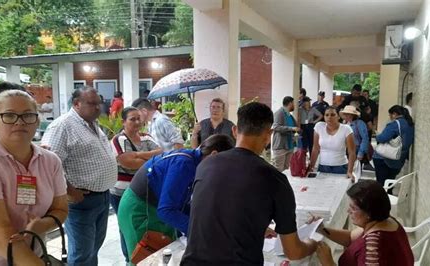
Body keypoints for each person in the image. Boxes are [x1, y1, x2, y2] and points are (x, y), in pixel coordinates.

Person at [182, 102, 317, 265]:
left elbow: (219, 210)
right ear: (269, 135)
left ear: (234, 131)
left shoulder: (205, 165)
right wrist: (313, 244)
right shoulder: (275, 179)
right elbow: (293, 251)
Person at [117, 134, 234, 261]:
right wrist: (198, 231)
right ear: (214, 155)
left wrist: (204, 224)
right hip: (139, 208)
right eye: (223, 165)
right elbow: (166, 210)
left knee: (164, 257)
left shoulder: (196, 164)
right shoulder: (184, 164)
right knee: (145, 258)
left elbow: (182, 204)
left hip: (156, 207)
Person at [0, 90, 68, 265]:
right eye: (9, 115)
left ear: (37, 121)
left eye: (27, 115)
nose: (19, 122)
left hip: (35, 254)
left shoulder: (50, 161)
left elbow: (61, 209)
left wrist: (42, 225)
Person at [41, 87, 117, 265]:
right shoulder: (62, 126)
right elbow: (49, 166)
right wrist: (70, 191)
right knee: (82, 253)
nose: (98, 108)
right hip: (81, 201)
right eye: (92, 103)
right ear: (76, 104)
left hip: (102, 197)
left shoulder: (93, 125)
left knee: (93, 249)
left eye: (99, 103)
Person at [312, 180, 414, 265]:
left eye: (353, 208)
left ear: (369, 213)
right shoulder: (385, 221)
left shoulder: (372, 250)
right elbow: (350, 237)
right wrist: (322, 229)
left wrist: (328, 263)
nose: (348, 211)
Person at [110, 107, 162, 262]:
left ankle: (144, 256)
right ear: (123, 122)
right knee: (126, 228)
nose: (137, 122)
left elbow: (160, 154)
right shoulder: (119, 140)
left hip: (145, 192)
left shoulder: (146, 137)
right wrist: (148, 160)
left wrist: (138, 154)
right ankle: (130, 259)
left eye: (139, 118)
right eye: (132, 119)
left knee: (143, 226)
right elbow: (128, 163)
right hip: (122, 193)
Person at [308, 106, 356, 180]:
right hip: (322, 167)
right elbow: (315, 148)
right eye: (326, 115)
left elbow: (351, 152)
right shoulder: (319, 126)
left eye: (333, 115)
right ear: (324, 117)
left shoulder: (346, 129)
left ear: (338, 117)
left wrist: (350, 171)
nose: (329, 117)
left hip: (341, 167)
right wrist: (311, 166)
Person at [373, 105, 414, 186]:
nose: (390, 117)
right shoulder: (410, 124)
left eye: (390, 115)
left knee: (381, 184)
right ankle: (388, 195)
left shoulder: (394, 124)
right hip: (400, 159)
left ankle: (381, 198)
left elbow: (383, 138)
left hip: (385, 159)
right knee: (389, 184)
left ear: (394, 114)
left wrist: (377, 136)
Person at [271, 96, 300, 172]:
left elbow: (294, 127)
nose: (294, 105)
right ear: (290, 103)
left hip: (289, 146)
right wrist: (292, 128)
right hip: (281, 146)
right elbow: (276, 127)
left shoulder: (289, 115)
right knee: (278, 169)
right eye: (293, 103)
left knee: (285, 167)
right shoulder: (279, 113)